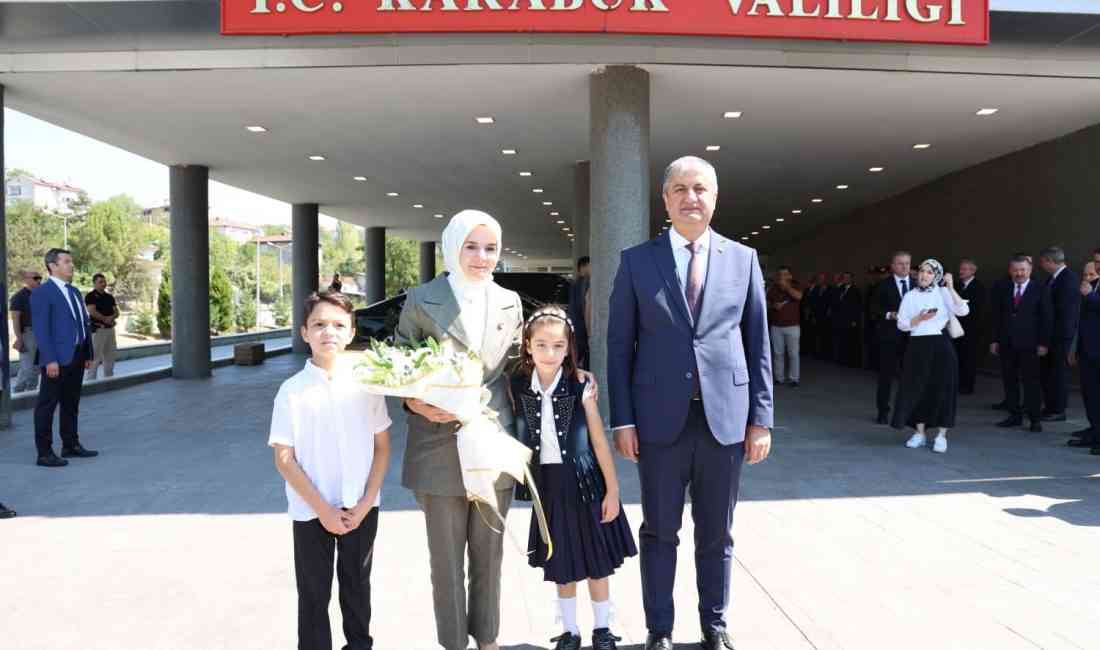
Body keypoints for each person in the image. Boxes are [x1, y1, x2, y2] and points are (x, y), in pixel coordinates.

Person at [608, 156, 773, 650]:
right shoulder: (637, 261)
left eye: (699, 188)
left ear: (715, 197)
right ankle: (659, 630)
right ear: (665, 199)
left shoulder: (743, 260)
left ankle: (714, 625)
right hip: (659, 424)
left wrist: (760, 418)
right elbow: (619, 347)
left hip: (724, 421)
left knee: (717, 535)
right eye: (679, 188)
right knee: (659, 531)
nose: (689, 198)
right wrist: (623, 421)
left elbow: (758, 341)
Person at [395, 211, 522, 650]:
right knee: (446, 562)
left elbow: (521, 370)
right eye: (471, 246)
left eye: (490, 248)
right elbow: (400, 367)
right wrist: (415, 402)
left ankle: (487, 641)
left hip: (492, 444)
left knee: (490, 557)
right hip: (437, 447)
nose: (481, 257)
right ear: (452, 247)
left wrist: (575, 378)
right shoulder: (422, 298)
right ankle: (452, 644)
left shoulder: (510, 302)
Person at [269, 290, 391, 650]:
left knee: (357, 589)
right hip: (310, 512)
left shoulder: (368, 384)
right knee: (313, 595)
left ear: (352, 332)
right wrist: (323, 510)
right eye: (319, 324)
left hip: (360, 508)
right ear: (304, 332)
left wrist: (367, 501)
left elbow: (382, 447)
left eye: (339, 325)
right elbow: (284, 458)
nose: (329, 332)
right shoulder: (291, 391)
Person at [511, 305, 636, 650]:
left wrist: (613, 490)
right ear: (527, 345)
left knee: (597, 561)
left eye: (558, 346)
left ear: (569, 348)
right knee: (560, 560)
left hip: (586, 483)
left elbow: (598, 440)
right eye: (541, 345)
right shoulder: (518, 382)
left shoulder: (579, 384)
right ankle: (569, 631)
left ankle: (602, 629)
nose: (549, 353)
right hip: (548, 486)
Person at [892, 260, 970, 453]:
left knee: (944, 388)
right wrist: (919, 318)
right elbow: (902, 324)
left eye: (929, 272)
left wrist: (951, 287)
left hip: (941, 345)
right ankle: (919, 433)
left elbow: (963, 310)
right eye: (921, 271)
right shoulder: (910, 296)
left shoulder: (943, 293)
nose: (924, 275)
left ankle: (942, 436)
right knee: (917, 389)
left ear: (936, 275)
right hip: (917, 345)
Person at [31, 248, 97, 468]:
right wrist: (49, 360)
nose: (71, 265)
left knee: (71, 403)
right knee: (47, 405)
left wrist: (87, 353)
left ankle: (70, 444)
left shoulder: (75, 291)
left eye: (71, 261)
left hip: (77, 356)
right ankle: (44, 453)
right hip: (56, 359)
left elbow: (83, 323)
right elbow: (41, 330)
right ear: (53, 266)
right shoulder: (42, 292)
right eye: (67, 262)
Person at [992, 255, 1053, 433]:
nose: (1019, 273)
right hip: (1007, 343)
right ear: (1010, 270)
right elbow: (998, 316)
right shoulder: (1003, 288)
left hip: (1031, 345)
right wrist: (995, 339)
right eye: (1016, 270)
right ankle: (1014, 415)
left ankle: (1034, 419)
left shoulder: (1040, 289)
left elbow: (1047, 318)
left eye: (1023, 270)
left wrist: (1043, 343)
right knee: (1009, 381)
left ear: (1030, 270)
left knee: (1031, 383)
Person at [1038, 247, 1080, 422]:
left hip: (1061, 336)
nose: (1041, 265)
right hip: (1051, 335)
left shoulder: (1068, 279)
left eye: (1042, 261)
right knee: (1049, 373)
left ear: (1049, 261)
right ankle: (1050, 407)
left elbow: (1065, 311)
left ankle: (1058, 409)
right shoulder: (1053, 278)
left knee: (1058, 374)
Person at [872, 252, 913, 424]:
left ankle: (907, 411)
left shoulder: (918, 285)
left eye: (907, 263)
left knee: (910, 376)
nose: (904, 267)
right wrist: (890, 314)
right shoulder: (883, 285)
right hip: (890, 337)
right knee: (886, 376)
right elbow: (873, 309)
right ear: (893, 266)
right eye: (901, 263)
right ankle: (883, 411)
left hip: (912, 338)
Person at [1068, 260, 1100, 454]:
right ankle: (1094, 433)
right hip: (1088, 351)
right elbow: (1080, 322)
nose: (1088, 277)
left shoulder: (1090, 292)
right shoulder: (1090, 289)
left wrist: (1090, 296)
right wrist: (1074, 347)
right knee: (1090, 396)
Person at [954, 259, 986, 395]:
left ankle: (967, 386)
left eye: (965, 269)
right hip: (956, 328)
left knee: (968, 358)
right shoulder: (956, 285)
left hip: (971, 330)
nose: (961, 271)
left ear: (973, 271)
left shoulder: (979, 287)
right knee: (957, 357)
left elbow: (977, 310)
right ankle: (957, 383)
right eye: (960, 268)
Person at [767, 266, 803, 387]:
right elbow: (767, 302)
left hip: (792, 326)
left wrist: (787, 287)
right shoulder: (774, 288)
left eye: (785, 274)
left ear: (790, 276)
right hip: (776, 326)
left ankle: (794, 378)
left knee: (793, 353)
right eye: (780, 274)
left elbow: (799, 296)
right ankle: (779, 378)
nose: (782, 276)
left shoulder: (796, 285)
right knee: (778, 353)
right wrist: (773, 305)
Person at [10, 270, 43, 392]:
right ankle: (18, 393)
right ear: (26, 280)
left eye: (39, 277)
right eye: (35, 278)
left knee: (36, 367)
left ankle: (31, 393)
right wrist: (19, 338)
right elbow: (15, 319)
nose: (39, 280)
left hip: (42, 333)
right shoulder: (19, 297)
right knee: (27, 367)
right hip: (28, 333)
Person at [85, 273, 120, 380]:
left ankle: (109, 379)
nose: (103, 284)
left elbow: (116, 312)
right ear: (94, 283)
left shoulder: (109, 297)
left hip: (110, 330)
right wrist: (106, 319)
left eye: (104, 281)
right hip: (98, 330)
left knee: (110, 356)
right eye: (100, 282)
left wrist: (112, 317)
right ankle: (90, 382)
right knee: (95, 358)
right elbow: (91, 311)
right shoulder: (90, 296)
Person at [828, 271, 862, 368]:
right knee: (842, 340)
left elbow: (857, 307)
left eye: (848, 277)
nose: (846, 279)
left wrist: (855, 320)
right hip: (840, 319)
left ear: (851, 279)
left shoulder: (855, 290)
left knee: (851, 341)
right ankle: (842, 359)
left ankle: (852, 362)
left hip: (850, 320)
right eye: (844, 277)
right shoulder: (840, 289)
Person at [568, 256, 591, 369]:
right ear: (583, 267)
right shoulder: (584, 283)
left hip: (576, 326)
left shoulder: (576, 283)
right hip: (582, 328)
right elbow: (584, 306)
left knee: (575, 359)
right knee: (582, 359)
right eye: (590, 265)